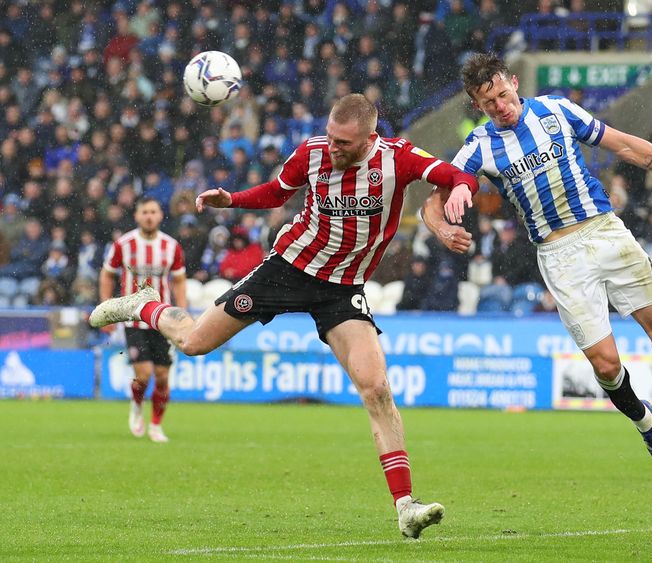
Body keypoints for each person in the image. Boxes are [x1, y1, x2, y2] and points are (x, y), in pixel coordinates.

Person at [89, 94, 477, 538]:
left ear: (371, 138)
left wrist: (461, 191)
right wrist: (231, 199)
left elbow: (455, 174)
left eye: (344, 142)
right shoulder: (312, 153)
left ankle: (406, 506)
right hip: (287, 269)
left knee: (376, 388)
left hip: (341, 289)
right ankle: (143, 304)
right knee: (194, 343)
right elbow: (278, 191)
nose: (333, 147)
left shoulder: (399, 158)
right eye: (331, 136)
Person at [423, 53, 652, 483]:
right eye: (489, 104)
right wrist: (442, 229)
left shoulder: (556, 110)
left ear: (513, 82)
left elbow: (623, 144)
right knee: (605, 365)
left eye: (504, 96)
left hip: (604, 231)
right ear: (477, 104)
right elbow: (433, 202)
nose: (501, 107)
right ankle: (646, 424)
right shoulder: (479, 146)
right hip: (559, 255)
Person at [99, 196, 187, 443]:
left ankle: (156, 425)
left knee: (162, 376)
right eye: (144, 212)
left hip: (164, 320)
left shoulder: (172, 246)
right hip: (133, 320)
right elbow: (107, 275)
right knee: (144, 374)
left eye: (153, 211)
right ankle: (137, 407)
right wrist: (107, 308)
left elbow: (179, 282)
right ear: (137, 216)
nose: (149, 216)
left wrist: (182, 314)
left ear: (160, 215)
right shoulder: (123, 244)